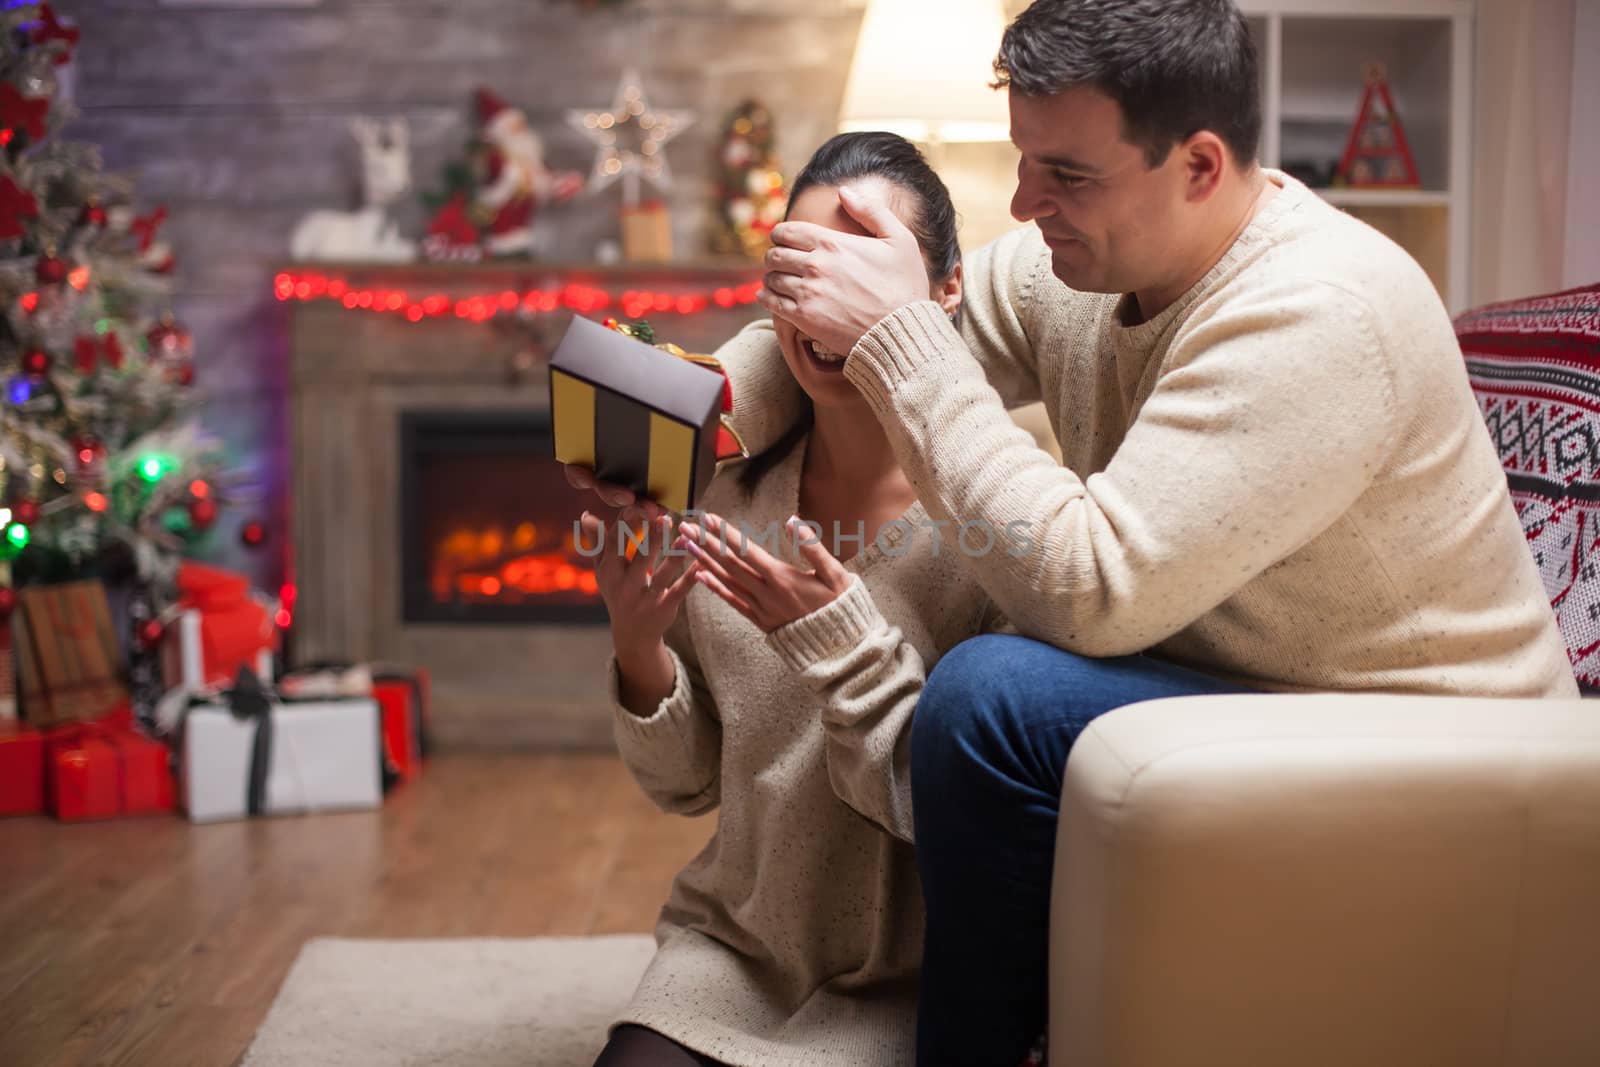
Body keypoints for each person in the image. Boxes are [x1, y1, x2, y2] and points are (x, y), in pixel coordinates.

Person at [572, 2, 1578, 1063]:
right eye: (1021, 162)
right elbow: (847, 336)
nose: (1020, 205)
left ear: (1196, 165)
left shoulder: (1317, 312)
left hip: (1430, 748)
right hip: (1262, 689)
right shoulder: (1093, 259)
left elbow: (1089, 588)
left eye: (1066, 175)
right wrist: (672, 419)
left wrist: (899, 335)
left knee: (993, 695)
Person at [586, 131, 992, 1067]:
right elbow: (689, 786)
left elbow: (954, 807)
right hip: (732, 947)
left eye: (858, 266)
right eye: (800, 270)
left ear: (944, 288)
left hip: (908, 977)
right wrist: (640, 648)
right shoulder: (726, 492)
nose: (825, 303)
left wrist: (829, 635)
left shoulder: (993, 519)